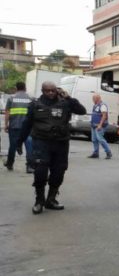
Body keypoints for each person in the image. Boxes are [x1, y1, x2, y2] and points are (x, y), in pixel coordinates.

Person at [19, 81, 87, 214]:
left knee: (58, 172)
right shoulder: (34, 105)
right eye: (47, 91)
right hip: (41, 143)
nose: (50, 93)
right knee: (40, 173)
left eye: (53, 90)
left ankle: (51, 200)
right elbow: (27, 124)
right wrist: (19, 142)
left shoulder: (65, 103)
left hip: (60, 144)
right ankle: (39, 201)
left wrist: (68, 97)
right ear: (42, 91)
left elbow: (81, 110)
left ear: (57, 90)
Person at [4, 82, 35, 173]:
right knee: (29, 146)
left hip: (14, 126)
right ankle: (29, 166)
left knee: (13, 146)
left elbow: (7, 113)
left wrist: (6, 125)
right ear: (25, 88)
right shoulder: (31, 99)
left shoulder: (11, 98)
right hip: (28, 128)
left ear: (16, 88)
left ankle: (10, 164)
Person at [88, 93, 113, 159]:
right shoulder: (95, 105)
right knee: (94, 139)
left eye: (93, 98)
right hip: (94, 125)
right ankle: (96, 153)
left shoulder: (102, 105)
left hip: (99, 126)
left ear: (97, 98)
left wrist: (100, 125)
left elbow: (104, 116)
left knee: (100, 139)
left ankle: (108, 152)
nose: (92, 100)